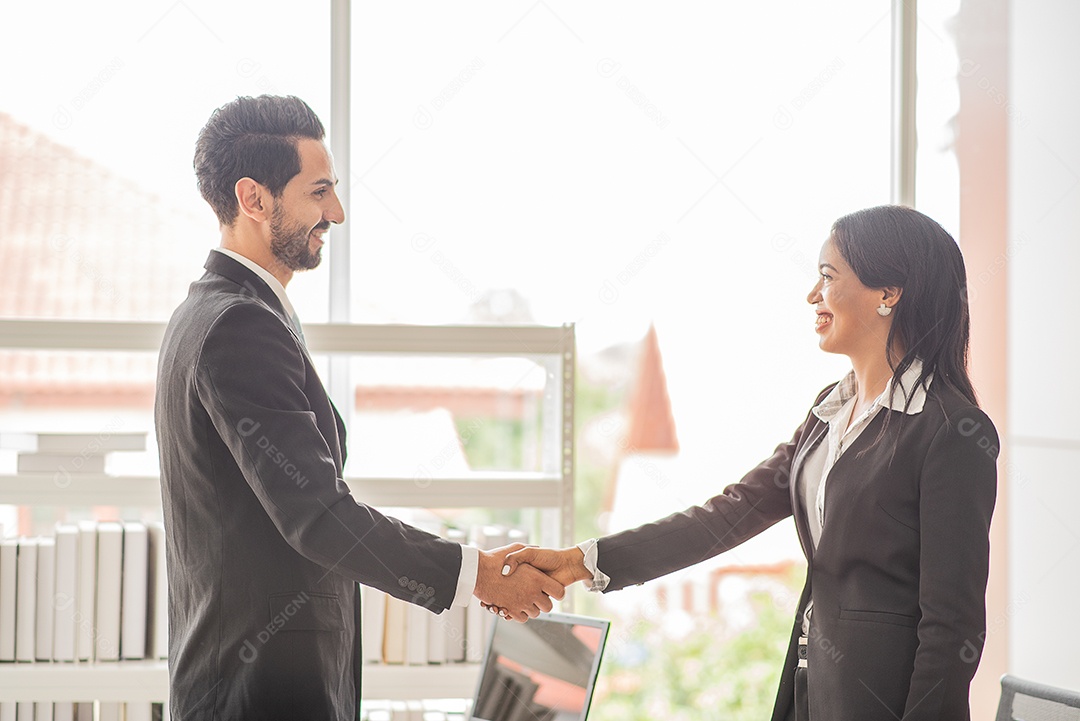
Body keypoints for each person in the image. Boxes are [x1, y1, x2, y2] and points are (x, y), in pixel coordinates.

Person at [500, 205, 999, 721]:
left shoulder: (950, 431)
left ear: (888, 294)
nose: (812, 295)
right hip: (812, 691)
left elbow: (953, 626)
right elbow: (725, 516)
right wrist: (580, 562)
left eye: (828, 277)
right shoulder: (830, 411)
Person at [155, 95, 562, 720]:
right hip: (261, 696)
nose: (336, 213)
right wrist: (475, 572)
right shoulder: (240, 326)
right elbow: (317, 516)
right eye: (318, 192)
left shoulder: (209, 314)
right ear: (254, 199)